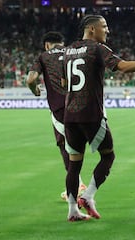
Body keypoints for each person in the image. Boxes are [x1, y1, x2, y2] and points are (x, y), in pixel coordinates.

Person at [62, 14, 135, 221]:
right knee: (108, 155)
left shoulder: (67, 51)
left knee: (74, 163)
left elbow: (62, 82)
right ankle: (88, 196)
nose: (108, 30)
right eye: (104, 26)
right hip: (91, 115)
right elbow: (122, 67)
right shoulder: (97, 48)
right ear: (92, 29)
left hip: (70, 116)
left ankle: (72, 210)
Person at [26, 31, 86, 202]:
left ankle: (77, 186)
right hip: (80, 104)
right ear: (62, 42)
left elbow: (30, 80)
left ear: (46, 45)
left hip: (60, 108)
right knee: (80, 144)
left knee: (65, 145)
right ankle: (80, 185)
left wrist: (35, 90)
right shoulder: (72, 52)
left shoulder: (43, 56)